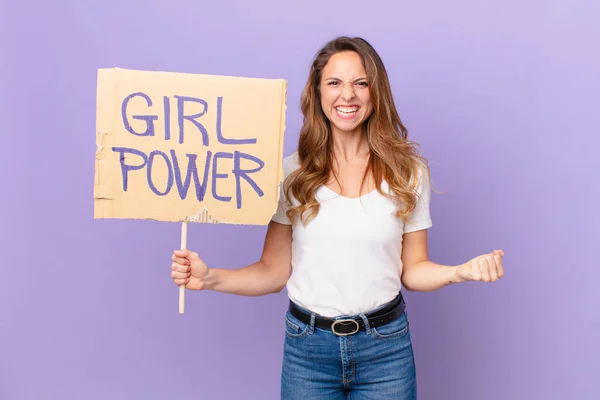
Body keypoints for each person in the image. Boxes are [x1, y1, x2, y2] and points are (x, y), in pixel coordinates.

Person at [170, 36, 505, 399]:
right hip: (308, 352)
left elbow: (413, 270)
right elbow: (273, 271)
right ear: (317, 94)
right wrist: (211, 277)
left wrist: (459, 272)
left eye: (361, 83)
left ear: (376, 93)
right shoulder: (290, 174)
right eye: (335, 83)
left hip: (386, 349)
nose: (348, 94)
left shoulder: (408, 172)